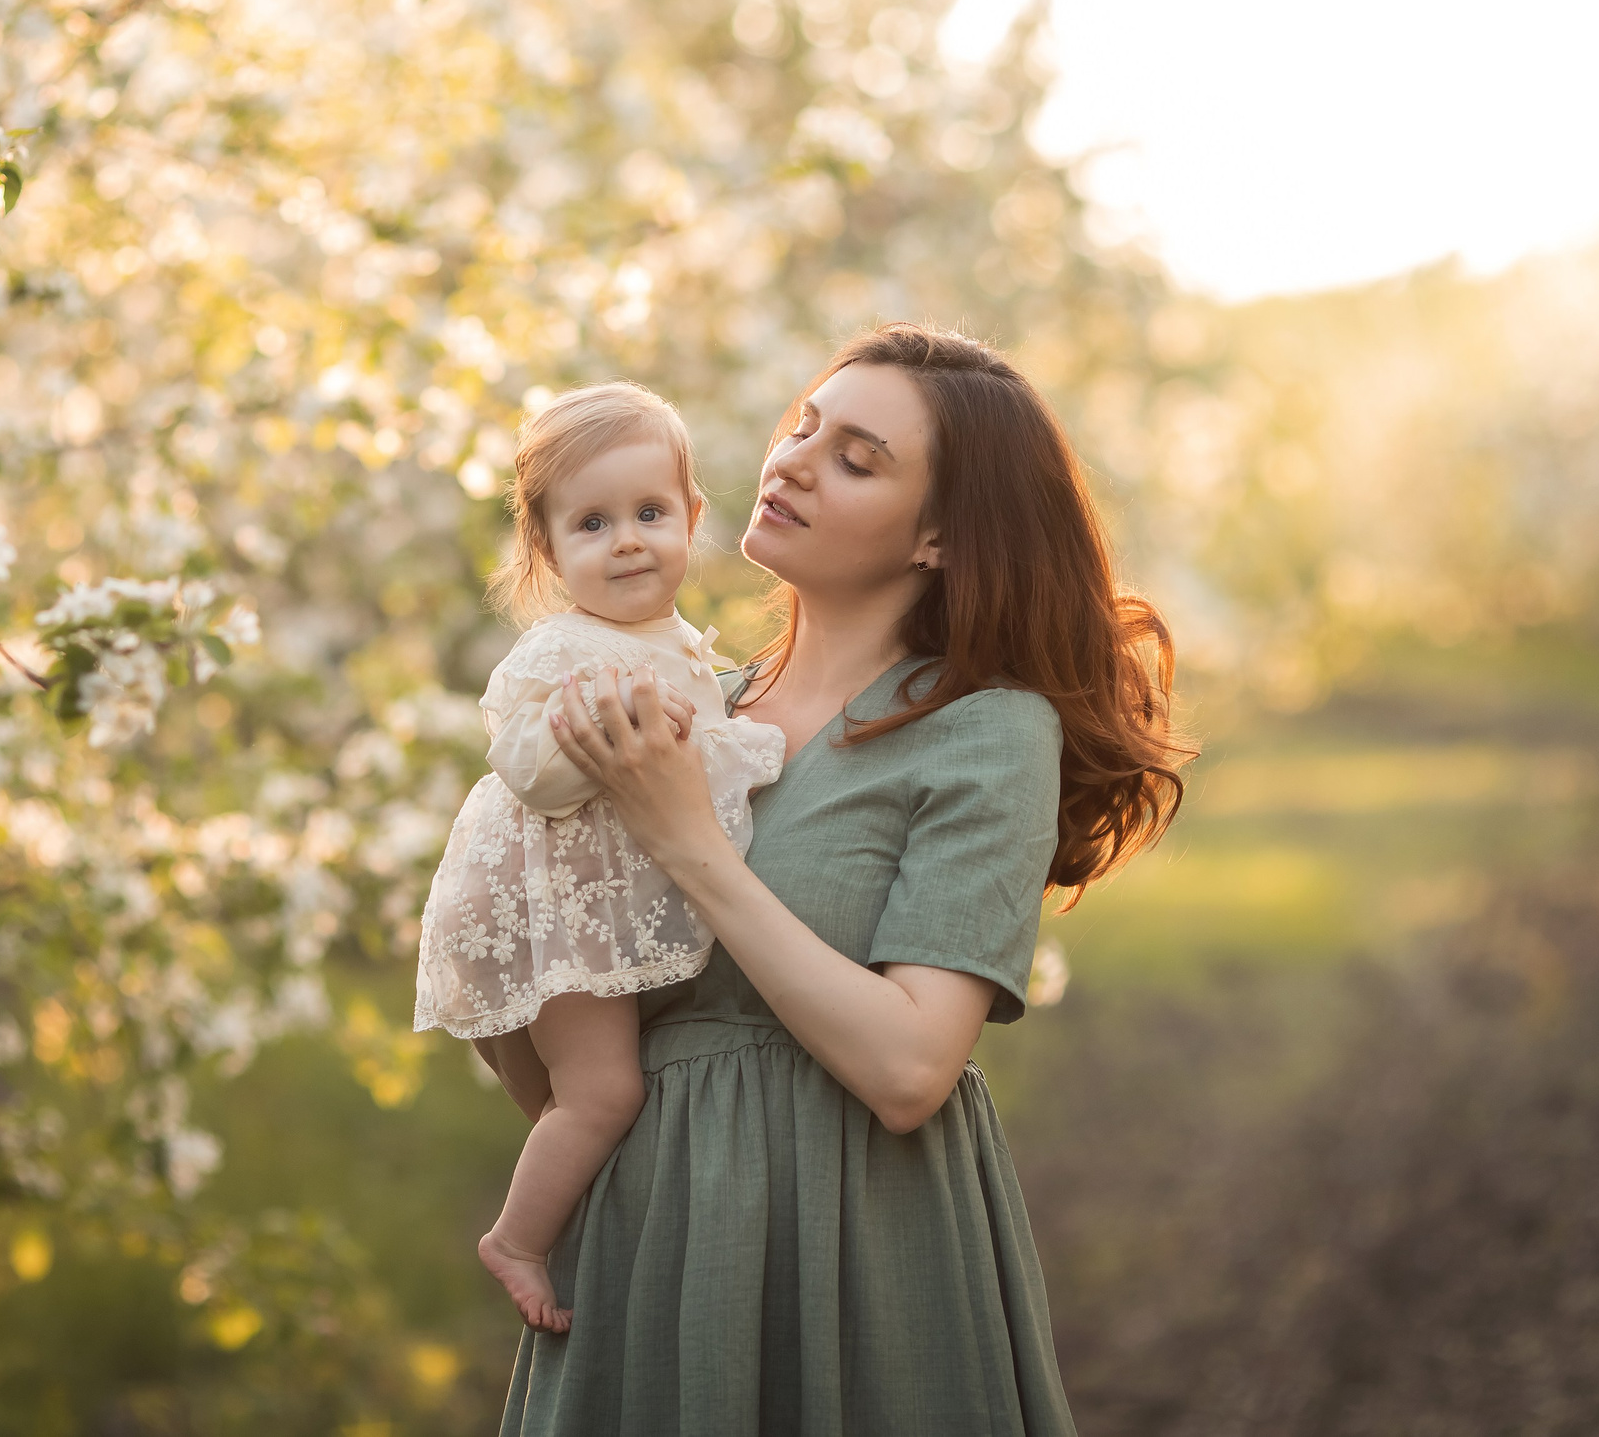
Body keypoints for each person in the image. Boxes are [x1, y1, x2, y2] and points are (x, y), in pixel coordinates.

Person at [498, 323, 1195, 1436]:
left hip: (860, 1238)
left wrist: (687, 842)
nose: (793, 463)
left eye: (856, 459)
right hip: (647, 1234)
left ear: (940, 538)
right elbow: (552, 1034)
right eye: (803, 427)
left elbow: (910, 1069)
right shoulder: (688, 706)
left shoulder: (986, 731)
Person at [414, 381, 787, 1333]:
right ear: (549, 551)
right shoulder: (563, 650)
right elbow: (530, 774)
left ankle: (594, 1226)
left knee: (585, 1107)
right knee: (606, 1093)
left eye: (649, 513)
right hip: (545, 915)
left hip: (578, 909)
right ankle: (517, 1239)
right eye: (592, 523)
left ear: (692, 519)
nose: (626, 540)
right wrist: (602, 726)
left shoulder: (677, 645)